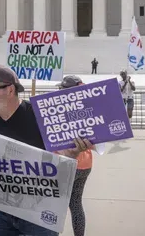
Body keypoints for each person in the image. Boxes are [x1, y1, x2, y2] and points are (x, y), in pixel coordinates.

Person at [0, 65, 91, 236]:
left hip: (40, 215)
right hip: (3, 212)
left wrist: (73, 153)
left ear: (10, 90)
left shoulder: (42, 116)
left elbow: (64, 159)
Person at [56, 75, 93, 236]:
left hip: (65, 164)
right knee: (76, 203)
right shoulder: (86, 110)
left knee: (53, 204)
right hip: (85, 164)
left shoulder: (60, 111)